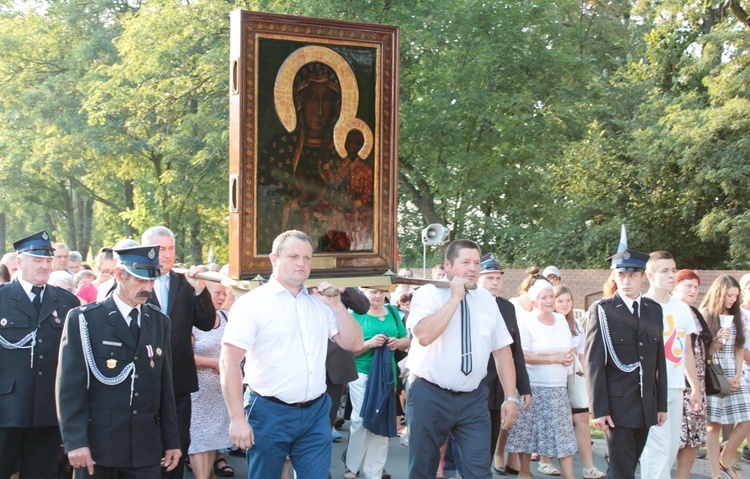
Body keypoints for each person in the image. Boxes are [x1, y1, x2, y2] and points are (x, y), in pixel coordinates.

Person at [220, 230, 364, 478]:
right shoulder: (252, 303)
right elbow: (229, 361)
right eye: (294, 256)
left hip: (316, 412)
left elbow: (354, 343)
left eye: (307, 258)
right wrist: (237, 419)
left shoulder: (320, 302)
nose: (302, 263)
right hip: (269, 412)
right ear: (274, 259)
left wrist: (337, 305)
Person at [56, 245, 181, 478]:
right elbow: (70, 387)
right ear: (119, 275)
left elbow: (165, 387)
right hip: (99, 446)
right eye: (140, 280)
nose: (147, 288)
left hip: (144, 446)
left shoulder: (158, 321)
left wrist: (172, 439)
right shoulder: (86, 320)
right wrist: (75, 441)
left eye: (152, 281)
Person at [405, 239, 518, 479]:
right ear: (448, 264)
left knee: (478, 471)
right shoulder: (429, 294)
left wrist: (510, 397)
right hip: (430, 394)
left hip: (473, 399)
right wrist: (455, 298)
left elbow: (502, 350)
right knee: (422, 470)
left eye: (476, 263)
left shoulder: (487, 300)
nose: (472, 268)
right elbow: (424, 336)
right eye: (465, 262)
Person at [0, 230, 81, 478]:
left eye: (48, 260)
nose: (44, 266)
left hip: (47, 408)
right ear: (19, 262)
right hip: (6, 408)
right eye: (37, 260)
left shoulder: (67, 302)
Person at [585, 244, 667, 479]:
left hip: (645, 405)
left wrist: (661, 404)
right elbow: (594, 364)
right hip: (616, 407)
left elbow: (658, 360)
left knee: (627, 467)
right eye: (621, 275)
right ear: (615, 276)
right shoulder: (603, 310)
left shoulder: (653, 310)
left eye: (632, 275)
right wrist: (599, 410)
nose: (626, 281)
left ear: (643, 277)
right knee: (622, 471)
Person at [142, 226, 216, 479]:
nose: (167, 255)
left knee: (178, 444)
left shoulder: (184, 283)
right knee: (147, 449)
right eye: (161, 249)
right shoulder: (134, 282)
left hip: (179, 382)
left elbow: (206, 322)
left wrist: (200, 290)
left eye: (171, 249)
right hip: (144, 383)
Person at [257, 62, 343, 253]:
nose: (319, 110)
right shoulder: (277, 150)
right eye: (312, 98)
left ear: (336, 105)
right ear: (299, 101)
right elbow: (262, 207)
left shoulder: (341, 155)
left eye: (327, 99)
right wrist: (296, 204)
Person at [505, 281, 577, 479]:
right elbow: (523, 355)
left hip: (559, 388)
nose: (549, 301)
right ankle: (525, 472)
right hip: (533, 387)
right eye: (544, 297)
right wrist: (552, 359)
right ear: (534, 302)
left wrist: (569, 356)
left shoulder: (561, 320)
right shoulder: (526, 321)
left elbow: (568, 346)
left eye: (551, 296)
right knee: (527, 433)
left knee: (563, 435)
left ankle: (569, 476)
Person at [639, 251, 701, 478]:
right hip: (652, 389)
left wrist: (695, 387)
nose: (671, 275)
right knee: (657, 449)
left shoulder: (682, 308)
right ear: (650, 275)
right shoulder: (642, 306)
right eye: (665, 270)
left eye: (673, 270)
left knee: (671, 446)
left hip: (676, 386)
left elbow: (686, 351)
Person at [476, 253, 532, 476]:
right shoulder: (470, 303)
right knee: (469, 444)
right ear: (478, 279)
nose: (495, 282)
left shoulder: (507, 307)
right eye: (489, 277)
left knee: (489, 443)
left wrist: (524, 387)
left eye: (498, 278)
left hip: (500, 386)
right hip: (475, 385)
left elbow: (515, 349)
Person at [344, 288, 409, 479]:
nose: (378, 296)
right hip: (361, 373)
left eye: (381, 291)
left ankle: (374, 471)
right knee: (361, 419)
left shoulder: (394, 312)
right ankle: (351, 467)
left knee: (383, 419)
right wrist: (369, 344)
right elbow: (347, 352)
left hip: (386, 375)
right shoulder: (354, 315)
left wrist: (398, 342)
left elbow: (407, 341)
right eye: (373, 291)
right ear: (363, 291)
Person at [552, 284, 606, 479]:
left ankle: (588, 466)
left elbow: (583, 355)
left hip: (574, 375)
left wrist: (584, 377)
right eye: (560, 301)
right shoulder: (549, 323)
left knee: (581, 418)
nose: (565, 304)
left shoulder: (576, 326)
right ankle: (543, 460)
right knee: (556, 420)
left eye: (568, 300)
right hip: (553, 377)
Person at [700, 274, 750, 479]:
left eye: (736, 296)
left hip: (734, 371)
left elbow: (739, 348)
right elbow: (702, 353)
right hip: (713, 374)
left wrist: (738, 374)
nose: (732, 300)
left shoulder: (736, 315)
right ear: (719, 293)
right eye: (729, 295)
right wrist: (717, 342)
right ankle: (715, 474)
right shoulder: (705, 314)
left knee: (747, 418)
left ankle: (726, 457)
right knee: (714, 425)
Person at [188, 280, 233, 479]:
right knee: (199, 442)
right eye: (216, 293)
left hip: (220, 391)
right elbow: (184, 357)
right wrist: (216, 363)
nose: (222, 297)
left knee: (212, 442)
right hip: (197, 392)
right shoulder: (190, 321)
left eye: (224, 293)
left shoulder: (226, 317)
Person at [673, 269, 713, 479]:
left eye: (696, 287)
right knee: (674, 436)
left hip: (697, 382)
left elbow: (702, 350)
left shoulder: (696, 314)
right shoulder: (669, 310)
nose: (693, 290)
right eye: (688, 285)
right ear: (676, 286)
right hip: (676, 381)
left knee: (694, 437)